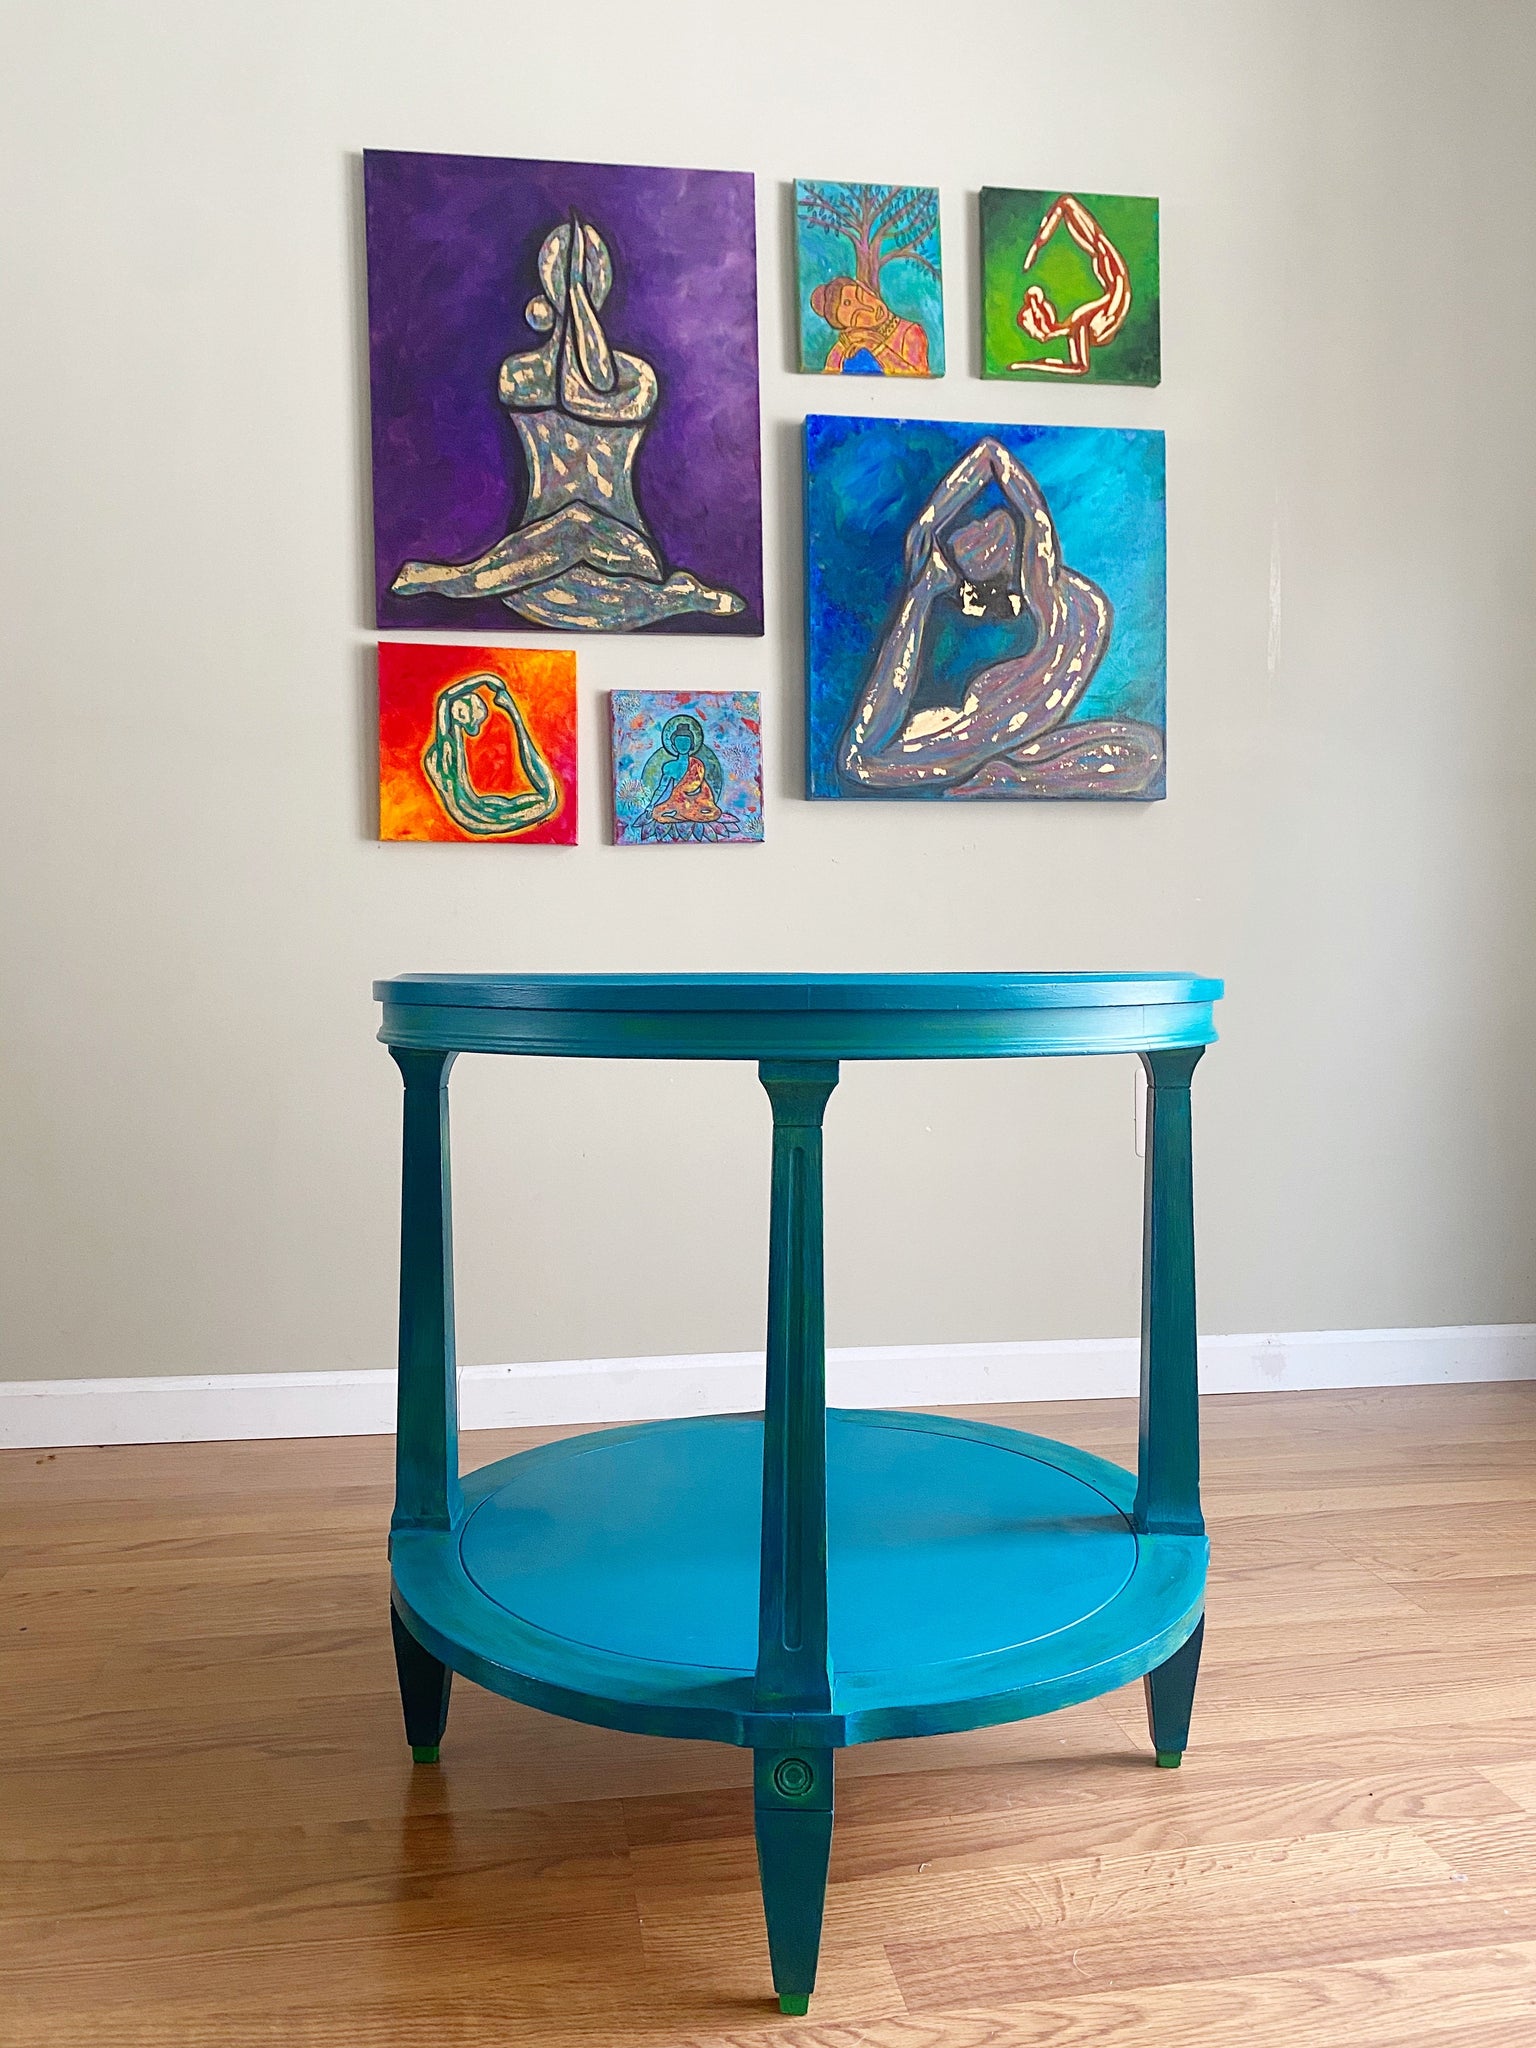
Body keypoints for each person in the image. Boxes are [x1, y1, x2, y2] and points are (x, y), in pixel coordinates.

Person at [391, 216, 744, 630]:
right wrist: (571, 303)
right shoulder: (518, 373)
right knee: (570, 534)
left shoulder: (638, 379)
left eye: (579, 280)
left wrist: (575, 297)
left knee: (579, 523)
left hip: (625, 558)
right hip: (530, 566)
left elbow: (591, 386)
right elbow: (576, 382)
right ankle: (680, 595)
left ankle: (457, 580)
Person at [837, 438, 1162, 797]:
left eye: (980, 527)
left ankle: (1015, 778)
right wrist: (920, 590)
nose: (980, 529)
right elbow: (995, 459)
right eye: (977, 546)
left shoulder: (1046, 587)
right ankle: (1012, 778)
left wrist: (928, 523)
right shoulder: (1040, 582)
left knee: (1146, 751)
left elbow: (991, 455)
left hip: (1007, 732)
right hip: (985, 730)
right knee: (860, 761)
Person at [1011, 194, 1131, 377]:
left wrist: (1029, 365)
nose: (1033, 336)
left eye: (1031, 331)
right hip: (1115, 286)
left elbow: (1080, 367)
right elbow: (1079, 367)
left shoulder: (1079, 322)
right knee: (1099, 246)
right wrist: (1036, 245)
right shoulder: (1076, 325)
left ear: (1041, 326)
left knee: (1099, 246)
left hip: (1116, 285)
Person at [809, 276, 930, 377]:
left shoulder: (910, 333)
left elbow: (920, 381)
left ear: (866, 288)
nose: (870, 309)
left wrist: (877, 347)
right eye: (857, 317)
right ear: (851, 328)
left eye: (862, 296)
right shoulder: (840, 352)